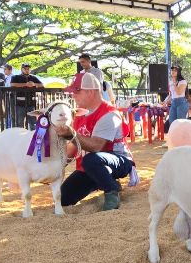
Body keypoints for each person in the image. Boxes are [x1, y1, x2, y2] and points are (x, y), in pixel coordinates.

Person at [56, 72, 134, 211]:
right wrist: (56, 166)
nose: (73, 95)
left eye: (76, 92)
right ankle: (103, 181)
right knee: (63, 198)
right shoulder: (80, 115)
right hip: (91, 166)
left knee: (91, 159)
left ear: (90, 92)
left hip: (119, 161)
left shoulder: (109, 114)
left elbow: (97, 147)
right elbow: (73, 148)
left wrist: (71, 134)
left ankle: (111, 189)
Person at [9, 63, 42, 130]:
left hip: (31, 104)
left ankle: (33, 137)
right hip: (19, 104)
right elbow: (12, 84)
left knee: (33, 123)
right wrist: (25, 84)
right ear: (21, 69)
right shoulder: (15, 77)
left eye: (28, 69)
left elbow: (42, 85)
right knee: (19, 123)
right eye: (25, 69)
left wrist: (33, 84)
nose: (27, 70)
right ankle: (19, 138)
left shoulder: (33, 77)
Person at [161, 65, 188, 132]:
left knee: (180, 123)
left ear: (178, 72)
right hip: (173, 102)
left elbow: (179, 92)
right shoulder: (170, 82)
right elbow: (171, 95)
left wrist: (174, 82)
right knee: (172, 122)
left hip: (181, 102)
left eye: (175, 70)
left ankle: (182, 139)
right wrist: (165, 102)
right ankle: (174, 139)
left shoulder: (183, 81)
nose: (173, 72)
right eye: (172, 70)